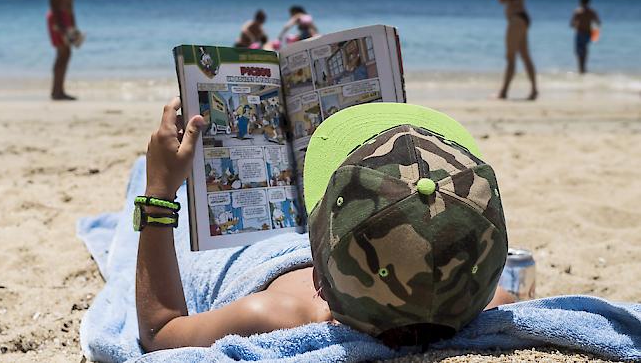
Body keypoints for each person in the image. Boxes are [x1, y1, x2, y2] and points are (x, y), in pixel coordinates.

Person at [134, 98, 514, 352]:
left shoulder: (273, 313)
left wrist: (159, 192)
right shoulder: (493, 301)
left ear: (320, 277)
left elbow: (160, 332)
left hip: (253, 254)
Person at [467, 0, 538, 100]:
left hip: (517, 20)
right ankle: (534, 90)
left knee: (511, 57)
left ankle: (504, 92)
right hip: (519, 19)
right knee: (524, 56)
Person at [47, 0, 79, 100]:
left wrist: (73, 25)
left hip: (67, 17)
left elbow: (70, 3)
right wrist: (59, 23)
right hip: (58, 17)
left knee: (67, 53)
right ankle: (56, 91)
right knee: (62, 53)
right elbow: (53, 0)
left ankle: (59, 90)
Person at [571, 0, 601, 74]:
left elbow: (571, 24)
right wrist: (596, 34)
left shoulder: (578, 11)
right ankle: (583, 69)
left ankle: (581, 69)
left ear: (580, 1)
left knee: (579, 52)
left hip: (580, 33)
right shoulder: (592, 12)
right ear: (589, 1)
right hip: (588, 34)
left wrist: (577, 25)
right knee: (584, 51)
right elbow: (598, 23)